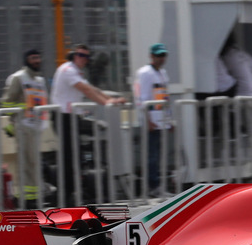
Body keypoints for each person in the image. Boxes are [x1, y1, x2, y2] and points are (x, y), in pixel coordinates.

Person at [50, 43, 125, 205]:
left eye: (86, 56)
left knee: (74, 156)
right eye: (80, 55)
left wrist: (111, 100)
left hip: (71, 117)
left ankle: (72, 192)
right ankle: (64, 196)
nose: (83, 59)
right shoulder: (68, 70)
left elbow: (93, 89)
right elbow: (86, 90)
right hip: (63, 117)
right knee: (70, 158)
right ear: (73, 55)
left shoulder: (76, 72)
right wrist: (107, 103)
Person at [0, 49, 48, 208]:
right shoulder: (18, 78)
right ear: (26, 60)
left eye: (38, 57)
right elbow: (6, 104)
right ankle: (24, 199)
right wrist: (25, 108)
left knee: (33, 163)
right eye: (33, 58)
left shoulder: (40, 80)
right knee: (26, 163)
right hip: (23, 126)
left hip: (36, 126)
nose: (37, 61)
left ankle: (33, 196)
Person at [133, 43, 172, 197]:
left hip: (161, 120)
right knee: (152, 155)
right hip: (151, 122)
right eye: (158, 56)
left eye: (163, 55)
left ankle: (158, 185)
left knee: (160, 155)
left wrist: (169, 119)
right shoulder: (144, 73)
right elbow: (141, 98)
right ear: (151, 56)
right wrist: (148, 120)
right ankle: (152, 187)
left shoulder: (163, 73)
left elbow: (165, 97)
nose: (161, 59)